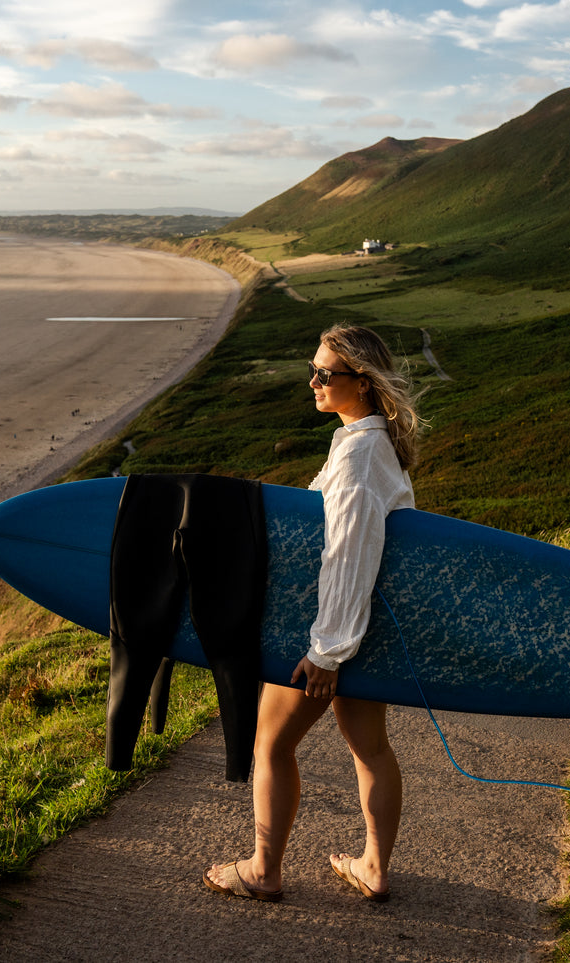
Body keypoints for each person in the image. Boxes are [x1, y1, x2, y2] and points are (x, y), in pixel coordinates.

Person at [205, 324, 425, 904]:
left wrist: (327, 652)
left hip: (334, 636)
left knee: (271, 746)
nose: (314, 381)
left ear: (364, 382)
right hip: (366, 631)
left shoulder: (359, 456)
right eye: (314, 369)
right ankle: (373, 867)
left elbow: (349, 556)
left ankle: (263, 870)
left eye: (326, 374)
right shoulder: (367, 443)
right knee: (370, 749)